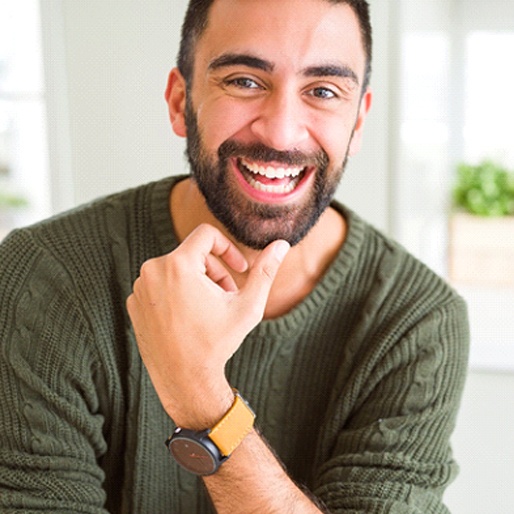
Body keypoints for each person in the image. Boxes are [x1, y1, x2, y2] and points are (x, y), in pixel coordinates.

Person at [0, 0, 469, 512]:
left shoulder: (418, 319)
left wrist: (200, 397)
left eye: (323, 91)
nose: (281, 131)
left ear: (357, 122)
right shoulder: (44, 275)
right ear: (180, 102)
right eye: (245, 81)